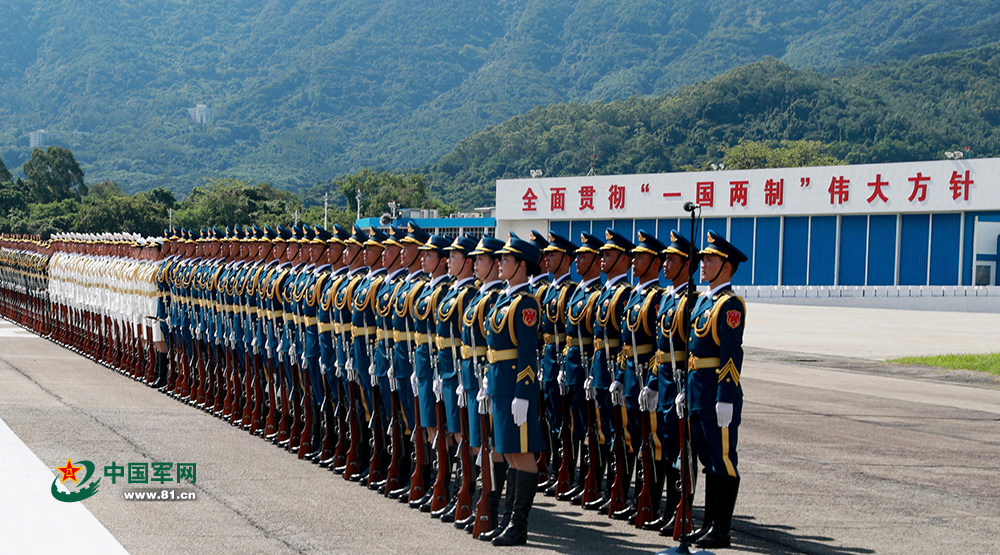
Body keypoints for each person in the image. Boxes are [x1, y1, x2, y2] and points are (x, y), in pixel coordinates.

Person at [682, 230, 747, 549]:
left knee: (723, 458)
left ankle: (722, 529)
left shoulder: (730, 305)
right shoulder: (702, 302)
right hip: (697, 390)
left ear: (727, 266)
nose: (703, 264)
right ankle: (709, 524)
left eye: (710, 260)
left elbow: (732, 354)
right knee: (708, 459)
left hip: (717, 393)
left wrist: (726, 397)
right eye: (704, 259)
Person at [483, 234, 543, 546]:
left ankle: (518, 526)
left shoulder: (525, 303)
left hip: (515, 389)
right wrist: (486, 377)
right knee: (508, 452)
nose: (500, 263)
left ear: (522, 265)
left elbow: (527, 352)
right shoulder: (504, 299)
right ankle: (507, 520)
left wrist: (524, 391)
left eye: (506, 259)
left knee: (522, 454)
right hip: (500, 385)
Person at [645, 230, 694, 535]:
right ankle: (668, 509)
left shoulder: (691, 301)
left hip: (679, 384)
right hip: (663, 382)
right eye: (663, 259)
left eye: (671, 260)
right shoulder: (666, 299)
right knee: (664, 446)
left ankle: (682, 510)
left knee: (681, 451)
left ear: (686, 264)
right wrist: (651, 382)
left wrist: (686, 389)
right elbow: (658, 349)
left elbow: (694, 352)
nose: (664, 264)